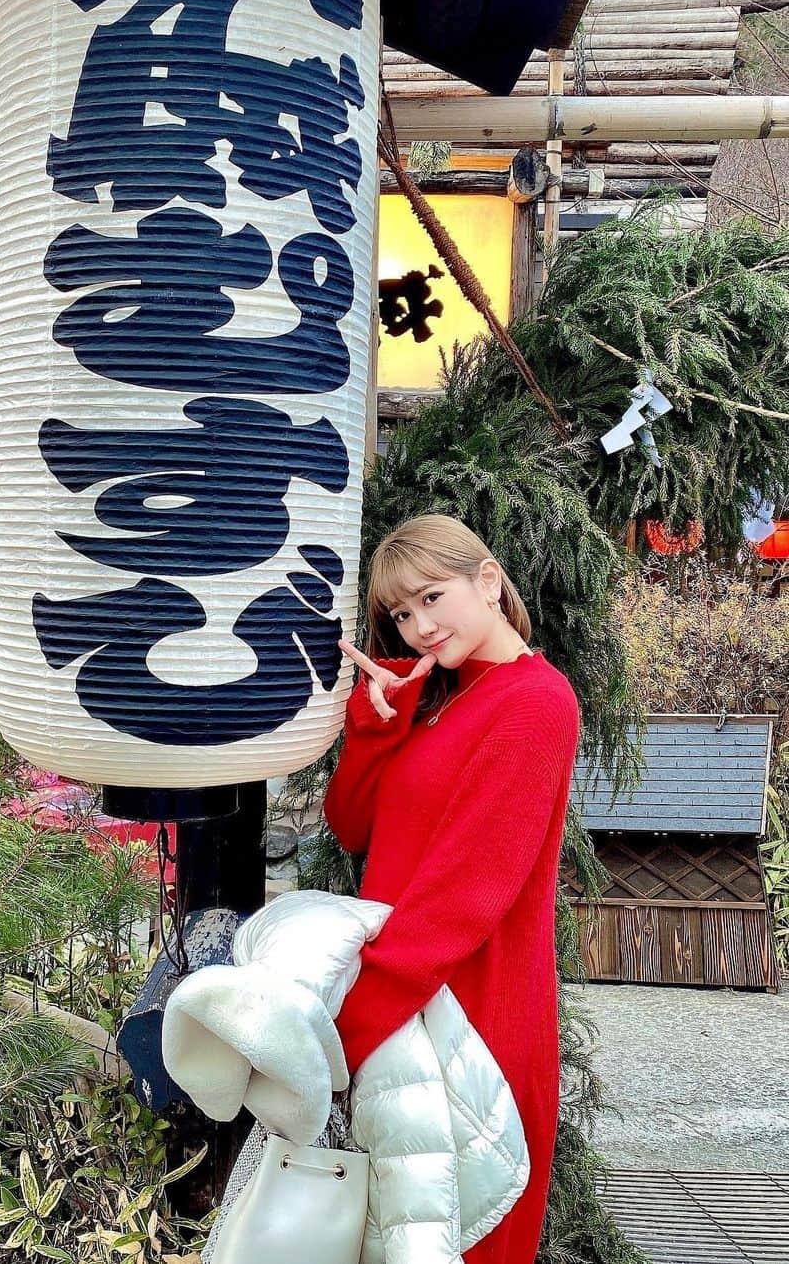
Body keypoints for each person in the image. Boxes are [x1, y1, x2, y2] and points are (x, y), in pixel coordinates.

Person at [323, 513, 581, 1264]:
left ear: (489, 581)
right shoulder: (445, 700)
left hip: (475, 1025)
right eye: (401, 614)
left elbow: (463, 898)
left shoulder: (535, 702)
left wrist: (344, 1030)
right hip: (409, 1016)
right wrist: (378, 730)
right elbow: (353, 828)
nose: (419, 627)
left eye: (433, 598)